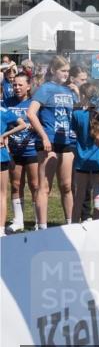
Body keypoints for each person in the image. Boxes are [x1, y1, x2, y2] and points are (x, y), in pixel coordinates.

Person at [27, 55, 77, 227]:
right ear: (54, 71)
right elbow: (31, 113)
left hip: (66, 141)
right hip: (49, 142)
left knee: (67, 186)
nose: (66, 74)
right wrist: (44, 136)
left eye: (68, 71)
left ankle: (70, 224)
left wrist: (77, 93)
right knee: (45, 187)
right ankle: (42, 227)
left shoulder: (70, 90)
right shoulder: (46, 89)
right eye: (63, 71)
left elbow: (79, 114)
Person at [5, 73, 39, 232]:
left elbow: (42, 124)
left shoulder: (34, 103)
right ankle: (18, 221)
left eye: (20, 85)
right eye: (14, 85)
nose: (17, 88)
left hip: (32, 149)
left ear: (28, 86)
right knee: (16, 184)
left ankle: (38, 219)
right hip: (14, 150)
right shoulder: (7, 102)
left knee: (35, 185)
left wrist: (35, 127)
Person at [70, 82, 99, 222]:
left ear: (84, 96)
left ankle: (73, 225)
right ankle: (96, 225)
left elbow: (74, 130)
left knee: (79, 196)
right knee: (98, 195)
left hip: (82, 159)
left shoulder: (77, 114)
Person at [0, 101, 29, 232]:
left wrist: (4, 135)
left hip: (1, 157)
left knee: (2, 194)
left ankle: (0, 230)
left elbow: (23, 124)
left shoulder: (3, 111)